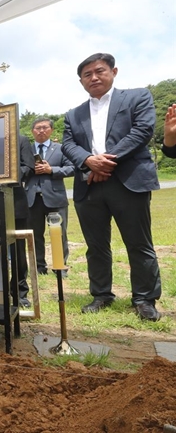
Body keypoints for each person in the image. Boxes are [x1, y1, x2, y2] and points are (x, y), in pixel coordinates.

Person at [62, 52, 162, 321]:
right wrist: (88, 161)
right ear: (81, 81)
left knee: (138, 243)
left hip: (128, 182)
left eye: (100, 71)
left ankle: (144, 299)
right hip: (89, 185)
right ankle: (101, 294)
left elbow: (142, 130)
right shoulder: (74, 114)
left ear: (113, 72)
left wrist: (104, 162)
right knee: (96, 245)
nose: (94, 77)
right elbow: (68, 144)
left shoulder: (137, 97)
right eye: (87, 74)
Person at [24, 118, 74, 275]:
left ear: (51, 130)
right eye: (37, 128)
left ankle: (60, 266)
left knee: (59, 233)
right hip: (32, 199)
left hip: (55, 198)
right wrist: (31, 170)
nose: (41, 131)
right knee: (35, 234)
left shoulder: (61, 148)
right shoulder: (26, 150)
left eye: (44, 127)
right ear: (32, 131)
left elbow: (72, 168)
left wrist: (51, 170)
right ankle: (39, 267)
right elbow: (19, 171)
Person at [11, 134, 35, 308]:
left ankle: (20, 291)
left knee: (18, 249)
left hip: (14, 201)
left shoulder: (20, 140)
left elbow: (29, 166)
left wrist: (6, 174)